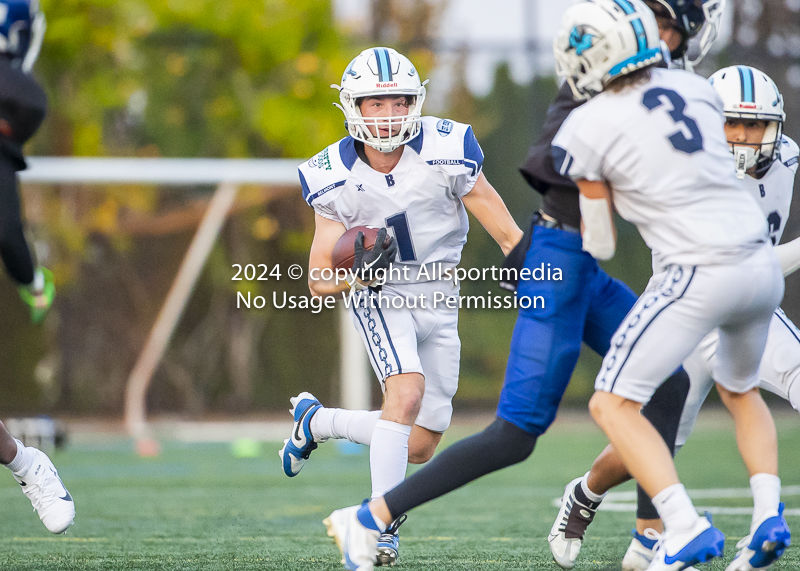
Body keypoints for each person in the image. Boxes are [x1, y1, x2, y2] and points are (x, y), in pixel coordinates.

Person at [320, 2, 729, 570]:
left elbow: (512, 223)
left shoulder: (656, 85)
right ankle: (368, 520)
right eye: (662, 27)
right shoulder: (597, 89)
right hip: (556, 262)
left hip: (569, 263)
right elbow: (567, 178)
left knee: (670, 384)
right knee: (515, 432)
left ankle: (649, 538)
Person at [552, 1, 788, 569]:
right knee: (742, 392)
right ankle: (766, 517)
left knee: (612, 404)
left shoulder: (585, 124)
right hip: (758, 266)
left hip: (696, 272)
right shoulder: (701, 92)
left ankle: (681, 524)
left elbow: (603, 242)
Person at [280, 46, 522, 566]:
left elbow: (501, 224)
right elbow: (320, 277)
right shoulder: (331, 175)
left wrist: (528, 266)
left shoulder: (446, 147)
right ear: (353, 107)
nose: (388, 115)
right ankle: (378, 526)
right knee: (405, 394)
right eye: (375, 103)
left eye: (398, 101)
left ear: (416, 102)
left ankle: (317, 423)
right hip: (381, 295)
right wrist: (359, 274)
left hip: (441, 293)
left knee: (420, 444)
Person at [0, 0, 74, 534]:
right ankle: (27, 463)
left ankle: (26, 463)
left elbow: (4, 224)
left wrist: (29, 275)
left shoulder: (14, 95)